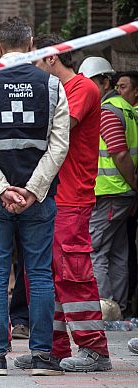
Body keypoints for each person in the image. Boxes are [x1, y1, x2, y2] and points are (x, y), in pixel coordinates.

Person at [0, 17, 69, 376]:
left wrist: (0, 188)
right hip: (39, 199)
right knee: (39, 274)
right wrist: (33, 189)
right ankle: (41, 356)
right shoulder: (53, 86)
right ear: (32, 44)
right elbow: (59, 145)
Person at [11, 33, 112, 373]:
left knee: (73, 272)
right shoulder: (58, 91)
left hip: (71, 196)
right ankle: (52, 350)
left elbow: (57, 130)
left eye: (36, 61)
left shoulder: (83, 89)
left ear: (52, 59)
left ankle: (94, 349)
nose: (33, 70)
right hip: (51, 194)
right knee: (45, 275)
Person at [80, 57, 138, 318]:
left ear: (105, 83)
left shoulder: (107, 111)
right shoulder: (127, 108)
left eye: (91, 83)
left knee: (97, 250)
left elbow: (120, 153)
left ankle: (104, 310)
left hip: (110, 191)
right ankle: (119, 308)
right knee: (118, 251)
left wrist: (133, 184)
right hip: (120, 192)